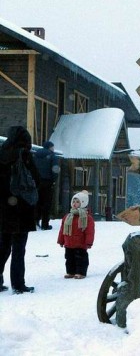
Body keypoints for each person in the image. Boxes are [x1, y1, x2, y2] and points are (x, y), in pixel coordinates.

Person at [0, 126, 39, 294]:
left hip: (4, 209)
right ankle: (18, 284)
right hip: (22, 208)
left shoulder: (2, 154)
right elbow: (35, 179)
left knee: (3, 247)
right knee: (18, 250)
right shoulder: (25, 155)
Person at [57, 190, 94, 279]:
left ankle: (81, 272)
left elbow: (89, 231)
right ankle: (70, 271)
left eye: (77, 202)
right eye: (73, 201)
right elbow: (62, 229)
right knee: (69, 258)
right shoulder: (68, 216)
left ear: (83, 203)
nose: (75, 203)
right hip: (68, 242)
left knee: (80, 258)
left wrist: (88, 242)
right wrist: (61, 240)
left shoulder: (86, 217)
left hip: (80, 243)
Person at [33, 141, 59, 230]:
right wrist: (54, 180)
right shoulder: (53, 156)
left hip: (36, 182)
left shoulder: (35, 155)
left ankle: (35, 221)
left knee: (37, 202)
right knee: (47, 203)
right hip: (48, 182)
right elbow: (55, 170)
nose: (54, 149)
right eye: (53, 147)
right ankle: (45, 224)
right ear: (50, 147)